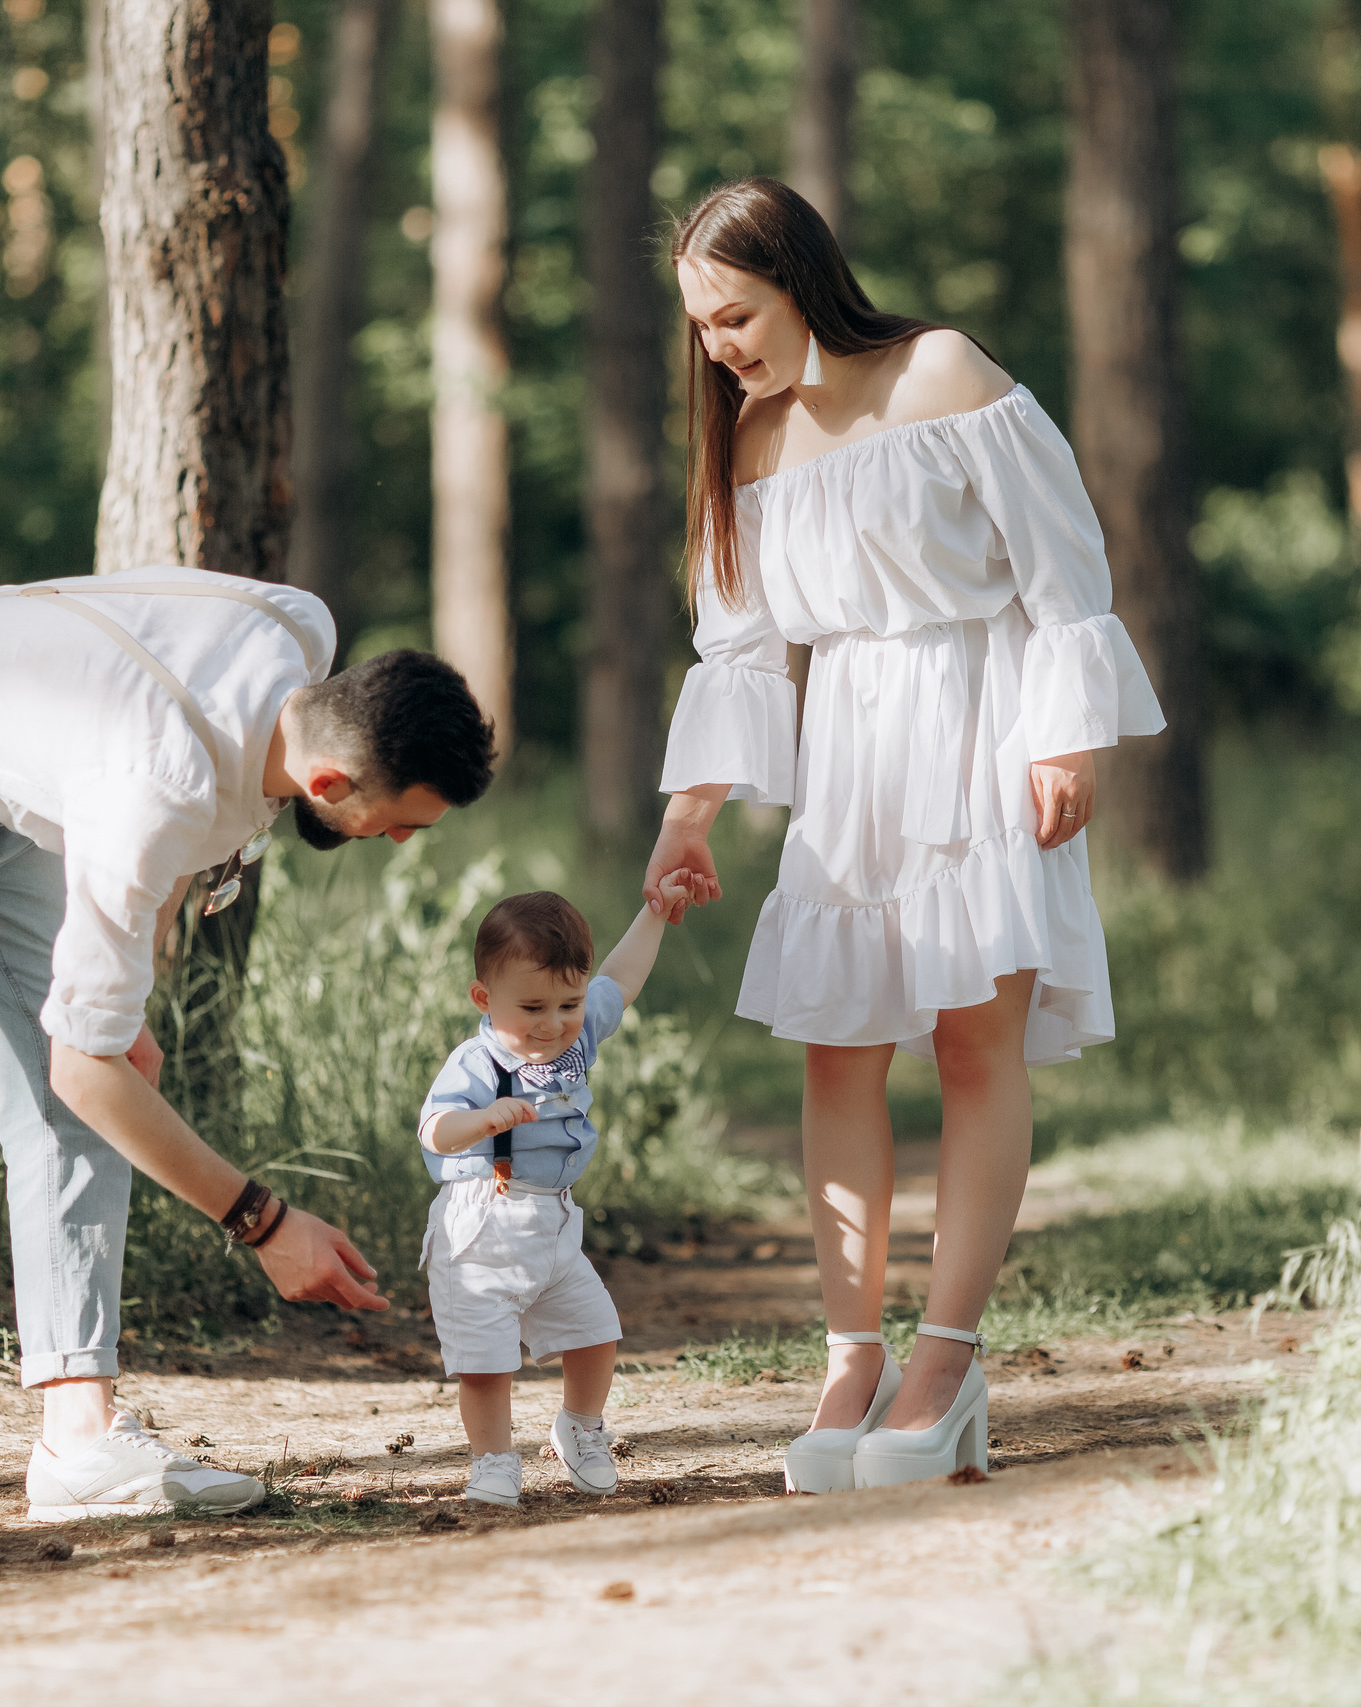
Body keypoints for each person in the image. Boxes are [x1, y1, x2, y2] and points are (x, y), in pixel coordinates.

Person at [0, 564, 495, 1561]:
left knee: (88, 1091)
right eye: (404, 821)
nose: (403, 842)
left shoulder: (296, 628)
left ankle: (78, 1438)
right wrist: (264, 1223)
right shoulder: (152, 785)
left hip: (11, 802)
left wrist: (121, 995)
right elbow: (90, 1049)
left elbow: (177, 809)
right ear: (329, 784)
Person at [645, 179, 1166, 1492]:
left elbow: (1063, 568)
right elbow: (741, 650)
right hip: (851, 755)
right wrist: (688, 818)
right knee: (838, 1046)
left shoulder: (942, 374)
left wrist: (1068, 736)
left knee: (975, 1041)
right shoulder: (749, 439)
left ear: (799, 281)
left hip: (981, 719)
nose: (719, 345)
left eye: (735, 315)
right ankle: (852, 1356)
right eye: (700, 325)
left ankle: (945, 1360)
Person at [415, 877, 708, 1508]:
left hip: (553, 1224)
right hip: (482, 1227)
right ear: (484, 998)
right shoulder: (477, 1063)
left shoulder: (575, 1035)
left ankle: (579, 1426)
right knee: (487, 1362)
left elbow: (620, 980)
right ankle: (493, 1460)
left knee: (596, 1331)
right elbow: (434, 1130)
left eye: (569, 1005)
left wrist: (656, 912)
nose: (553, 1024)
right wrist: (482, 1120)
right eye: (532, 1009)